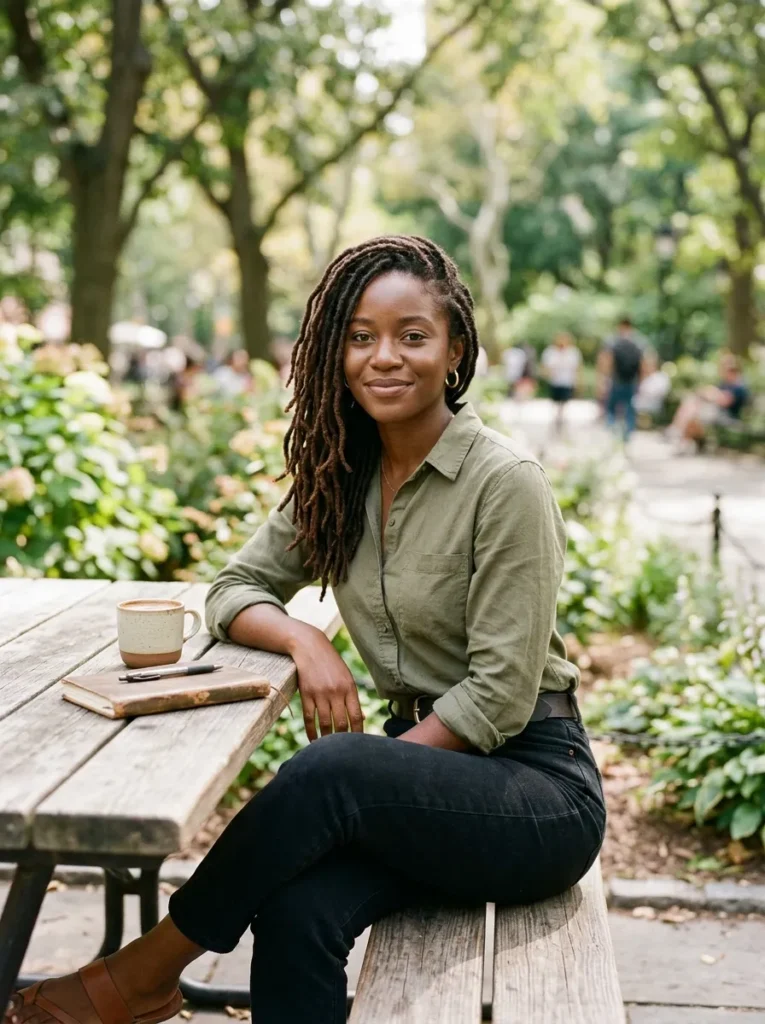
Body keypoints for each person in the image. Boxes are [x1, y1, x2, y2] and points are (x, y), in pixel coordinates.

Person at [5, 237, 605, 1024]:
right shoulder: (339, 477)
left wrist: (363, 777)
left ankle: (143, 972)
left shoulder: (504, 484)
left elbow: (495, 698)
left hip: (534, 794)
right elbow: (233, 588)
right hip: (417, 791)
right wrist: (304, 639)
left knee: (331, 772)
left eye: (411, 336)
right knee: (293, 911)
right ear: (334, 352)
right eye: (360, 337)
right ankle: (147, 978)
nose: (383, 357)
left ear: (455, 350)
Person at [668, 353, 749, 451]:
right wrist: (710, 394)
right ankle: (681, 437)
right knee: (692, 404)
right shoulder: (725, 384)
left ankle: (678, 433)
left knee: (694, 413)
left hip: (728, 416)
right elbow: (713, 395)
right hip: (716, 413)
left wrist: (712, 394)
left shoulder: (739, 387)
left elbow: (724, 401)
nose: (724, 371)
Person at [600, 317, 645, 440]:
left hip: (616, 379)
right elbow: (645, 362)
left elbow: (606, 360)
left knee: (612, 406)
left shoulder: (612, 340)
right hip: (632, 380)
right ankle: (628, 433)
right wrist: (641, 380)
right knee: (629, 407)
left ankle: (613, 430)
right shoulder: (639, 341)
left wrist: (604, 378)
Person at [541, 331, 581, 433]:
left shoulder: (573, 352)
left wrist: (577, 381)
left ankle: (561, 417)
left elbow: (577, 368)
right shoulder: (550, 352)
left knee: (564, 401)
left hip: (567, 382)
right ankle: (556, 418)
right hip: (554, 382)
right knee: (554, 402)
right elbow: (545, 367)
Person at [633, 352, 671, 423]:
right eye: (644, 364)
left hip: (652, 406)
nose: (645, 366)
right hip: (638, 404)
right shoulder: (640, 377)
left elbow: (660, 393)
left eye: (648, 364)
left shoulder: (661, 377)